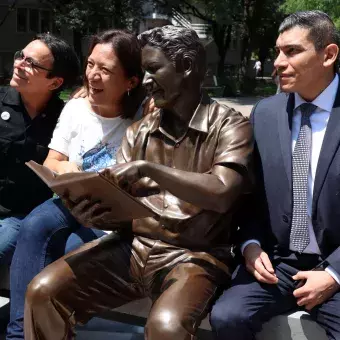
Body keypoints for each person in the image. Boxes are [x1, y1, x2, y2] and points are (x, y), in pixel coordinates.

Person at [23, 25, 253, 340]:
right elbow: (123, 208)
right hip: (131, 248)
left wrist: (149, 169)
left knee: (166, 328)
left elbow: (222, 193)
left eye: (153, 70)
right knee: (42, 291)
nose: (145, 81)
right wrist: (91, 211)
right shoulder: (140, 131)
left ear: (185, 67)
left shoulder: (230, 126)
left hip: (194, 256)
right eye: (143, 71)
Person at [6, 29, 144, 340]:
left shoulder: (141, 120)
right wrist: (64, 168)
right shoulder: (76, 109)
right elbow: (53, 162)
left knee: (64, 250)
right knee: (34, 224)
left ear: (131, 81)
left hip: (110, 217)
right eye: (91, 64)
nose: (93, 75)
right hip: (70, 200)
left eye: (105, 70)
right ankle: (19, 334)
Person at [210, 10, 340, 340]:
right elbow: (252, 197)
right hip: (279, 262)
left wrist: (335, 274)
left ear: (329, 55)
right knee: (227, 316)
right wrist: (251, 245)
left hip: (336, 263)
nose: (278, 63)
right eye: (278, 52)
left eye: (292, 51)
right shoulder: (265, 113)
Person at [0, 33, 80, 266]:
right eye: (20, 56)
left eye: (31, 63)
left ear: (55, 83)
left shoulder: (65, 119)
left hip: (20, 218)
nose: (19, 65)